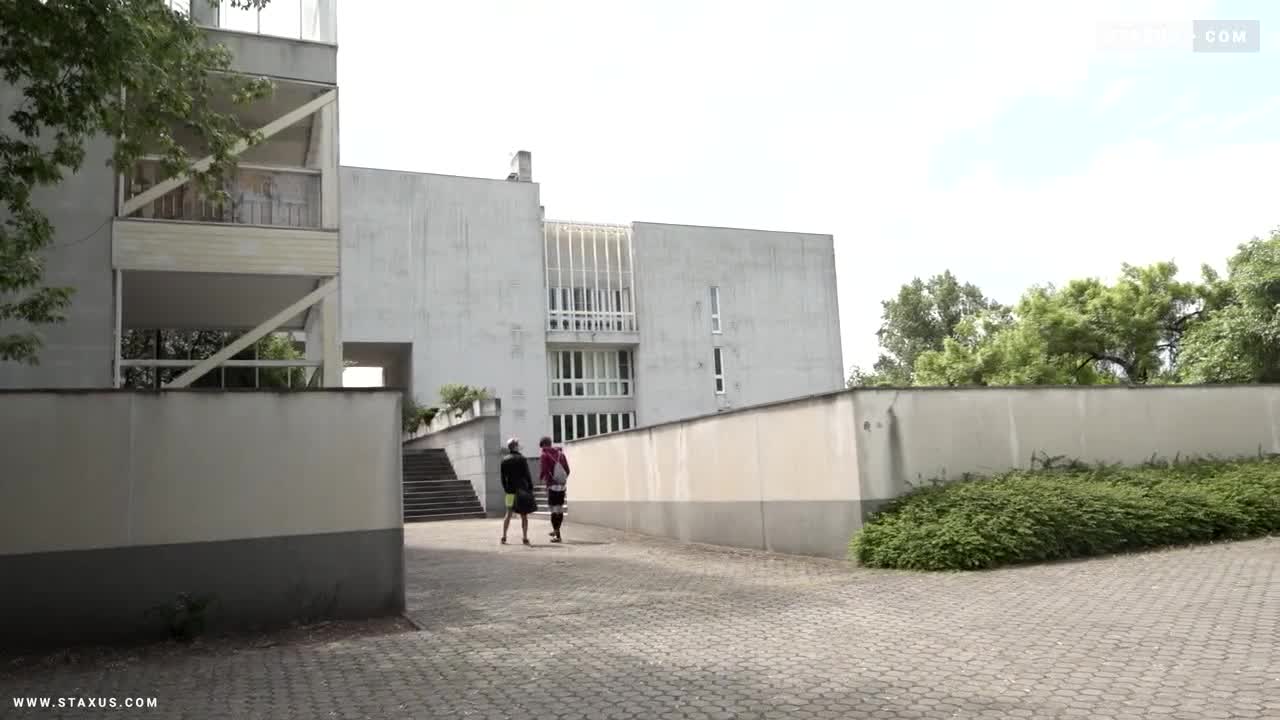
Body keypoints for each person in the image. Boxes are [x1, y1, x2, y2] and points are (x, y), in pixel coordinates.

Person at [499, 438, 536, 545]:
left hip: (510, 491)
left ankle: (504, 536)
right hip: (522, 490)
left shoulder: (504, 460)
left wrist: (506, 488)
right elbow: (527, 475)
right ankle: (524, 537)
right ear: (515, 446)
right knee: (524, 514)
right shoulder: (522, 459)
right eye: (518, 445)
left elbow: (502, 478)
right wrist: (530, 487)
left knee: (508, 513)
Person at [538, 436, 570, 542]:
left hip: (552, 485)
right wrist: (561, 479)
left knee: (553, 510)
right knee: (559, 509)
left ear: (543, 445)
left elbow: (544, 471)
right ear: (550, 443)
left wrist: (542, 481)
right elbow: (567, 470)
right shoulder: (561, 454)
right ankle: (556, 530)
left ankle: (557, 534)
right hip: (561, 485)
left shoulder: (544, 455)